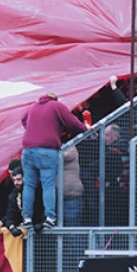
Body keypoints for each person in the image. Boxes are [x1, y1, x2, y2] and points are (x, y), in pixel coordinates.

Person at [20, 92, 86, 229]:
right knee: (48, 185)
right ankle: (50, 218)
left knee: (29, 185)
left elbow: (23, 119)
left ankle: (27, 218)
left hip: (27, 150)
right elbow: (72, 122)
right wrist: (85, 128)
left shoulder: (32, 107)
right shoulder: (57, 106)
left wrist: (34, 130)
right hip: (47, 150)